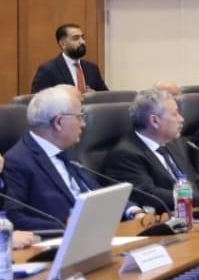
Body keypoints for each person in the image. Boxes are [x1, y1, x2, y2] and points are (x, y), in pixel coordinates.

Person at [1, 86, 161, 231]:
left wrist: (133, 211)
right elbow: (14, 217)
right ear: (59, 122)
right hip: (58, 243)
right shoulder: (18, 161)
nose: (83, 124)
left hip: (97, 234)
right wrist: (69, 227)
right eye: (79, 117)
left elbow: (95, 192)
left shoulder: (66, 151)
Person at [102, 89, 199, 216]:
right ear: (154, 121)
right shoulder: (125, 154)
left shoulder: (174, 143)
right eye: (175, 114)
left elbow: (197, 181)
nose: (181, 119)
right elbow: (149, 194)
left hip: (195, 214)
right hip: (165, 219)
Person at [30, 23, 108, 94]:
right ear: (63, 44)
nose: (82, 42)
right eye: (76, 38)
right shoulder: (48, 69)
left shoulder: (92, 68)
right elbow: (38, 100)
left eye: (82, 37)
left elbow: (106, 97)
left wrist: (95, 95)